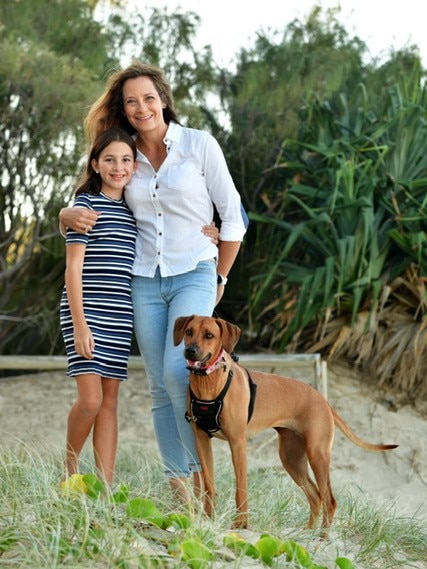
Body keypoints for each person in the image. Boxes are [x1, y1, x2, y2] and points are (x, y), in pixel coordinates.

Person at [59, 60, 247, 503]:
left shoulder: (199, 145)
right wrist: (64, 213)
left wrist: (221, 273)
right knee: (159, 386)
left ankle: (206, 481)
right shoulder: (126, 157)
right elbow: (95, 206)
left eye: (148, 97)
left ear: (163, 98)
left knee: (176, 368)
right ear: (123, 111)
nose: (141, 107)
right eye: (131, 102)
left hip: (195, 270)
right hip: (143, 280)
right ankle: (181, 489)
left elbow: (234, 213)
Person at [60, 128, 138, 486]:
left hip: (120, 316)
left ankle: (105, 488)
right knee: (90, 400)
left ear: (135, 166)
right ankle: (71, 472)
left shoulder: (134, 212)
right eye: (109, 159)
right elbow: (73, 268)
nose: (118, 167)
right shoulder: (85, 206)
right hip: (85, 313)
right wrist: (80, 325)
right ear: (95, 164)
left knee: (109, 403)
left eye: (125, 160)